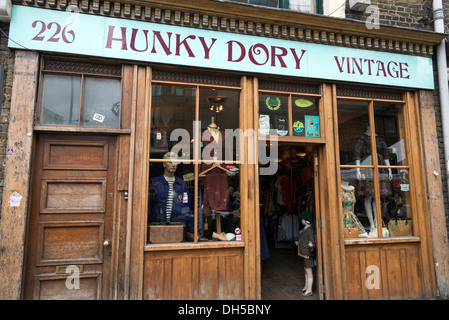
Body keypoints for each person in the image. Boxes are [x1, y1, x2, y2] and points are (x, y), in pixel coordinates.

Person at [148, 152, 189, 223]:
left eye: (175, 162)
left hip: (177, 223)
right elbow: (149, 204)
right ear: (164, 164)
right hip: (157, 223)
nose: (173, 165)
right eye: (170, 162)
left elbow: (185, 204)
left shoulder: (182, 184)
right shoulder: (154, 183)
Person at [298, 210, 315, 296]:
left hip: (308, 253)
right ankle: (306, 287)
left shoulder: (310, 230)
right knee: (306, 269)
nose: (301, 220)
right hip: (304, 252)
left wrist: (311, 244)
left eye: (303, 219)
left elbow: (311, 240)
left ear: (306, 220)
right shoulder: (305, 229)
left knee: (308, 270)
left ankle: (309, 290)